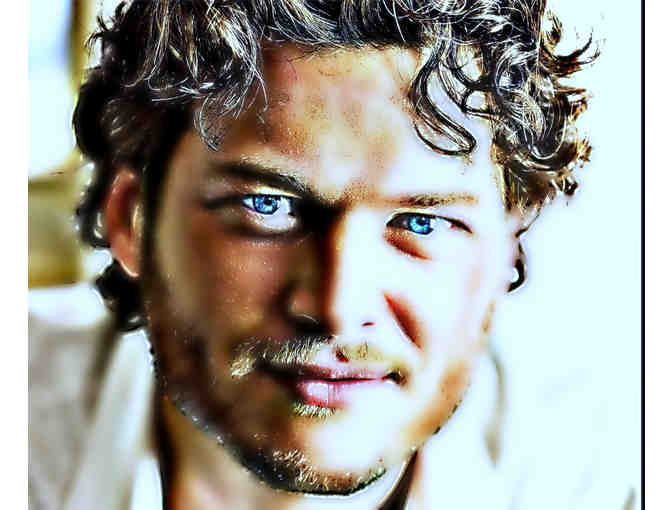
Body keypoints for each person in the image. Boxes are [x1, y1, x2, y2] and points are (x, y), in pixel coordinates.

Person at [52, 1, 628, 509]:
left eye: (422, 223)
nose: (338, 308)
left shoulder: (598, 480)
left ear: (508, 248)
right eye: (268, 206)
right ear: (132, 219)